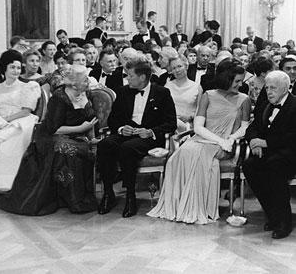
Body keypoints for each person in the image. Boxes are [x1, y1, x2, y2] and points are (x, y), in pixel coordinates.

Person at [147, 59, 251, 224]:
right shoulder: (208, 95)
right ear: (226, 78)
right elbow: (198, 126)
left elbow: (245, 127)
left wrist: (230, 139)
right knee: (179, 155)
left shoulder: (244, 99)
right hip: (203, 138)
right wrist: (218, 140)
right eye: (237, 80)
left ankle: (197, 207)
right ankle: (178, 206)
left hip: (226, 143)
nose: (240, 84)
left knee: (199, 154)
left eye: (241, 80)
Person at [0, 65, 98, 215]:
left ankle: (73, 196)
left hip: (77, 137)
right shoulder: (60, 97)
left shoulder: (86, 93)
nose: (88, 82)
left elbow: (92, 120)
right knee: (65, 150)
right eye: (85, 80)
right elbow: (53, 129)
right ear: (74, 83)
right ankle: (69, 198)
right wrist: (80, 129)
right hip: (51, 136)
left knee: (73, 149)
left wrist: (92, 138)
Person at [97, 56, 177, 218]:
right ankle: (108, 193)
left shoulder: (162, 93)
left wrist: (150, 131)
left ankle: (131, 196)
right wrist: (120, 129)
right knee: (105, 144)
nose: (127, 79)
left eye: (130, 76)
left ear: (142, 77)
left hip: (148, 137)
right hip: (126, 133)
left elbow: (171, 123)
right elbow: (113, 119)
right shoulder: (123, 91)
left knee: (128, 148)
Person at [243, 71, 296, 239]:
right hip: (267, 152)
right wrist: (253, 141)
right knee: (249, 165)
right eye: (267, 88)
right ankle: (273, 214)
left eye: (273, 88)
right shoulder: (265, 101)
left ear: (286, 88)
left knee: (275, 167)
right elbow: (253, 126)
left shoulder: (294, 105)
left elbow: (293, 137)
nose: (269, 92)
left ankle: (284, 222)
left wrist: (266, 143)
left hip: (290, 154)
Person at [0, 50, 41, 191]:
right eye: (12, 67)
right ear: (4, 68)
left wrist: (5, 120)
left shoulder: (28, 86)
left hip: (20, 120)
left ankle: (4, 184)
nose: (16, 71)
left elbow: (26, 110)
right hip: (0, 120)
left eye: (18, 67)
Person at [165, 55, 202, 132]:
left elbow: (200, 111)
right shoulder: (167, 86)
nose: (177, 70)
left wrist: (191, 117)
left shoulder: (197, 87)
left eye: (179, 66)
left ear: (186, 66)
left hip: (189, 126)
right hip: (170, 125)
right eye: (174, 68)